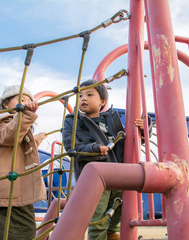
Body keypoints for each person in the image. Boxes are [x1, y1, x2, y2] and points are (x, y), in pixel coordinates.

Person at [62, 80, 150, 240]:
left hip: (117, 174)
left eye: (89, 95)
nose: (83, 98)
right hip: (95, 178)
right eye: (80, 95)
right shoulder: (73, 121)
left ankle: (112, 234)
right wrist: (93, 148)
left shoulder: (111, 120)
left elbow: (127, 144)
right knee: (98, 218)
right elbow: (71, 146)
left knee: (122, 209)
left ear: (102, 101)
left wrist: (144, 130)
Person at [0, 85, 47, 240]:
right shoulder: (2, 121)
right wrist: (27, 115)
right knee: (19, 231)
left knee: (4, 231)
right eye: (21, 99)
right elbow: (8, 137)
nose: (26, 103)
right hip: (7, 189)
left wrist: (37, 139)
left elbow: (18, 147)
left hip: (14, 189)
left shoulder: (15, 123)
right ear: (6, 104)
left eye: (29, 100)